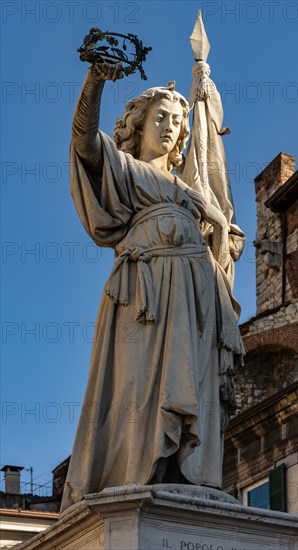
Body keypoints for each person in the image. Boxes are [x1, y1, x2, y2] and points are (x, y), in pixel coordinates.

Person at [60, 62, 244, 513]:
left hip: (198, 295)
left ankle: (187, 469)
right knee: (138, 386)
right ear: (138, 124)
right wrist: (95, 81)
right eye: (160, 116)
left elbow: (223, 239)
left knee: (193, 385)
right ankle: (137, 470)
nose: (170, 126)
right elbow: (83, 141)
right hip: (145, 292)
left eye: (178, 121)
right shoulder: (123, 168)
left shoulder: (193, 192)